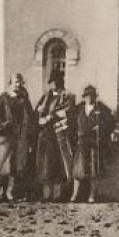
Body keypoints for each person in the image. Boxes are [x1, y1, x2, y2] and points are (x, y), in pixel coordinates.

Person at [0, 73, 35, 203]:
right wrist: (1, 126)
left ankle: (9, 191)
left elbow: (30, 117)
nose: (18, 85)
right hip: (5, 135)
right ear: (10, 83)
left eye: (19, 82)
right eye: (15, 82)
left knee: (15, 165)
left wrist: (28, 134)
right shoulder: (2, 98)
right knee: (1, 163)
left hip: (19, 136)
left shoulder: (24, 99)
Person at [35, 70, 74, 201]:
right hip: (45, 134)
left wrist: (49, 117)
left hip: (58, 134)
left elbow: (65, 112)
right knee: (45, 163)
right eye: (52, 82)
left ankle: (58, 194)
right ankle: (46, 193)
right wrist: (39, 117)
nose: (54, 84)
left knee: (58, 164)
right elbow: (38, 110)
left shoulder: (67, 96)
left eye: (57, 81)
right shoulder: (45, 96)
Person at [71, 85, 114, 203]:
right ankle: (74, 195)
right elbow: (71, 123)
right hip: (81, 143)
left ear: (95, 97)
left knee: (94, 170)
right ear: (84, 97)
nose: (89, 98)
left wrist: (102, 127)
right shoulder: (79, 108)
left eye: (91, 96)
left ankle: (92, 195)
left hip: (95, 143)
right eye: (87, 96)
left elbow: (111, 123)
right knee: (78, 170)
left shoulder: (101, 108)